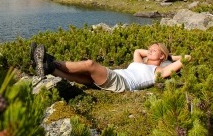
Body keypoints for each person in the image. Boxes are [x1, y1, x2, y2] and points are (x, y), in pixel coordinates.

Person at [31, 42, 191, 92]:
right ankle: (48, 68)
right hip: (112, 78)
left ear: (162, 56)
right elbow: (137, 51)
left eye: (154, 50)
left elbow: (186, 58)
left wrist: (169, 57)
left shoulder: (158, 71)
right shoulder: (140, 61)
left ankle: (49, 61)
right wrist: (154, 52)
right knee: (84, 77)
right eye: (149, 48)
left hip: (122, 83)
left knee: (90, 64)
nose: (149, 50)